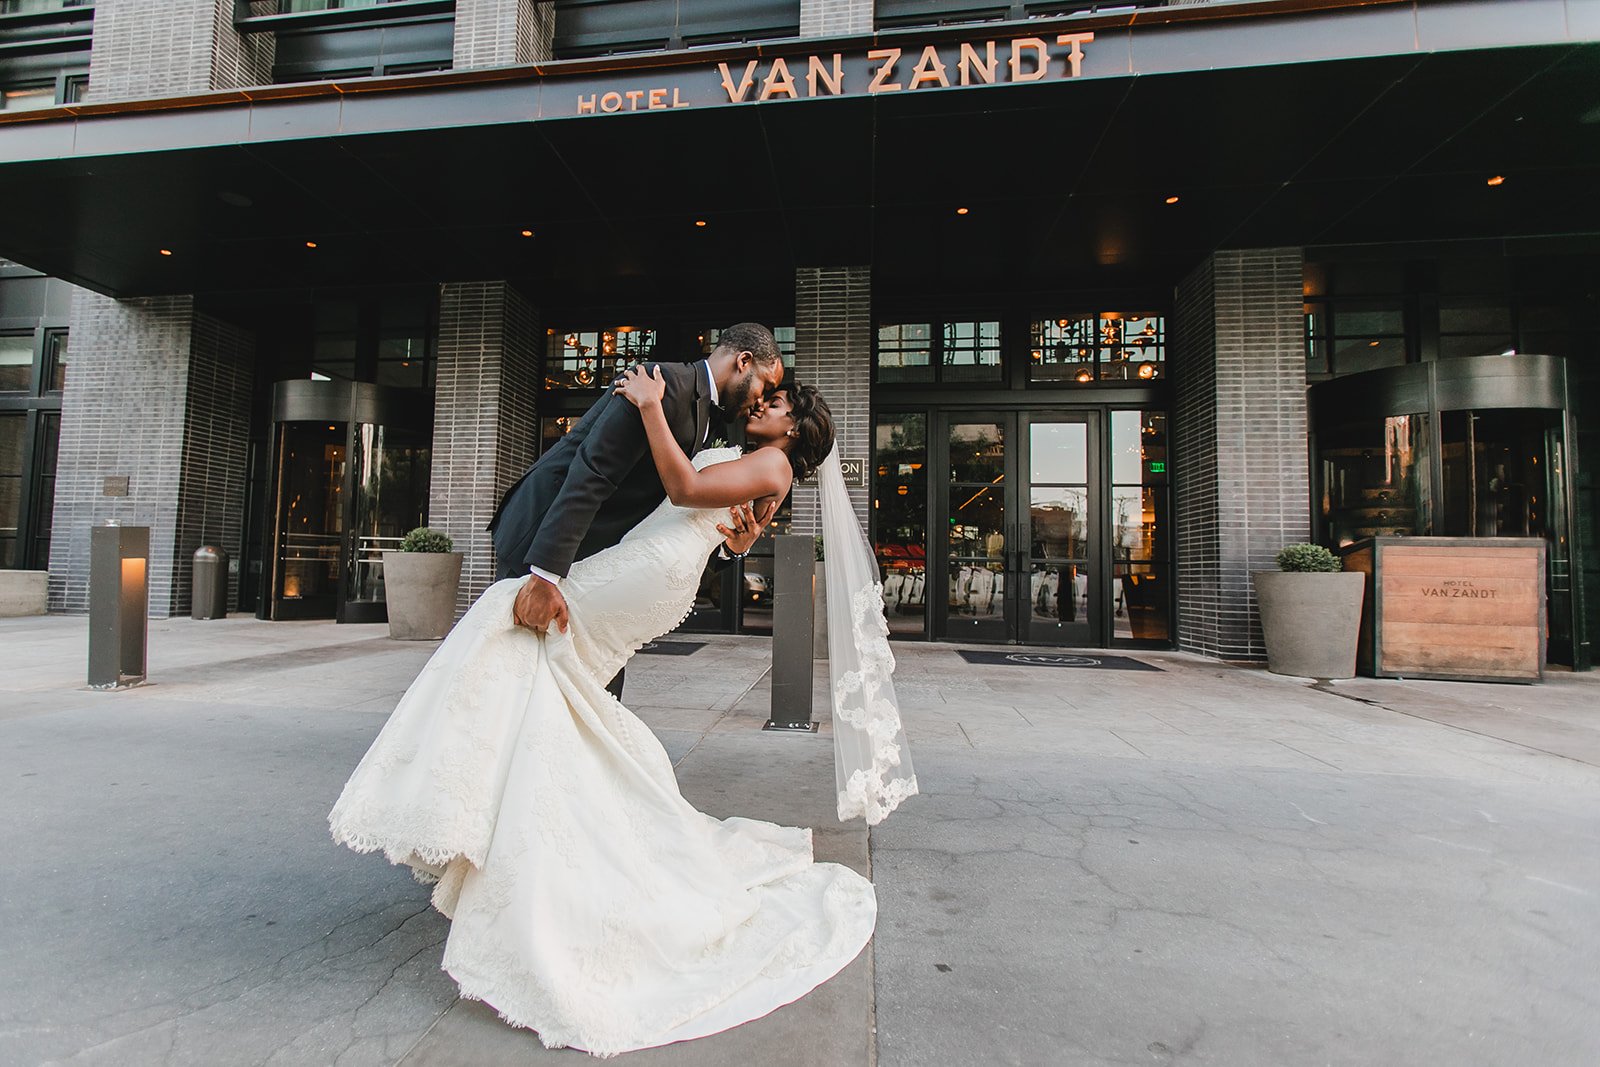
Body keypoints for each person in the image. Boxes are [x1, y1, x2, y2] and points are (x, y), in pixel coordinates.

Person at [329, 369, 916, 1057]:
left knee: (510, 626)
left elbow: (686, 489)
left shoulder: (773, 460)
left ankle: (506, 832)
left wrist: (646, 405)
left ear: (793, 428)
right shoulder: (762, 460)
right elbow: (723, 526)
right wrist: (740, 538)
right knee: (554, 685)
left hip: (656, 569)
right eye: (767, 393)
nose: (763, 402)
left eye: (777, 401)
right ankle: (508, 824)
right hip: (658, 561)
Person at [486, 322, 785, 699]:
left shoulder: (707, 416)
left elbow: (674, 513)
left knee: (587, 687)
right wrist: (544, 574)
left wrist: (730, 547)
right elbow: (592, 472)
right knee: (512, 678)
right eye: (766, 387)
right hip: (541, 539)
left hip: (595, 559)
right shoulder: (660, 383)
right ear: (743, 361)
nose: (760, 400)